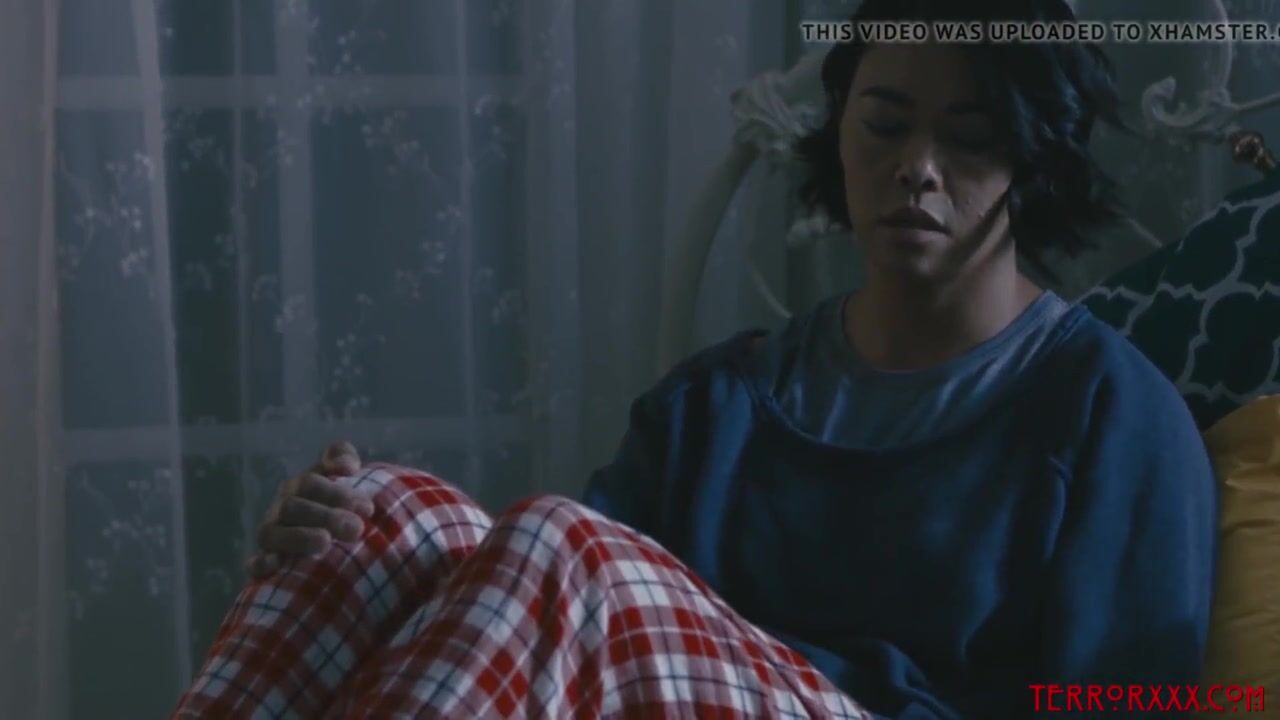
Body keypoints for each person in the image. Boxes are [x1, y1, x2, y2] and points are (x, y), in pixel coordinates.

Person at [173, 0, 1217, 717]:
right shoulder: (720, 402)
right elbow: (548, 627)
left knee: (558, 542)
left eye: (970, 137)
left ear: (1034, 160)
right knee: (389, 514)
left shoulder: (1108, 413)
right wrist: (328, 534)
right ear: (839, 136)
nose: (917, 169)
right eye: (885, 126)